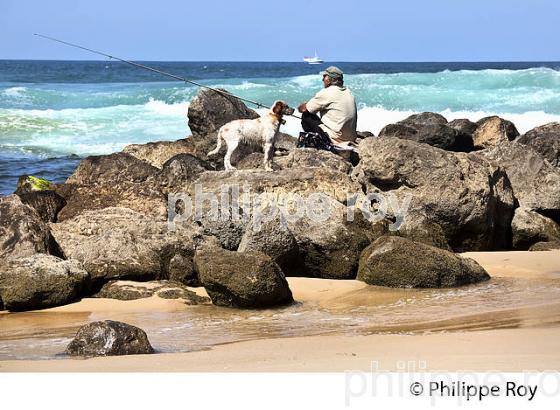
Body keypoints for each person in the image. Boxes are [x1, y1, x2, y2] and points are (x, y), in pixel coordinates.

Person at [297, 66, 357, 146]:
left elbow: (303, 109)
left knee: (306, 115)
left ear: (329, 80)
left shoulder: (327, 92)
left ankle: (316, 144)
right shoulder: (348, 92)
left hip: (335, 139)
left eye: (324, 76)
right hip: (351, 138)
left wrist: (304, 104)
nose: (322, 79)